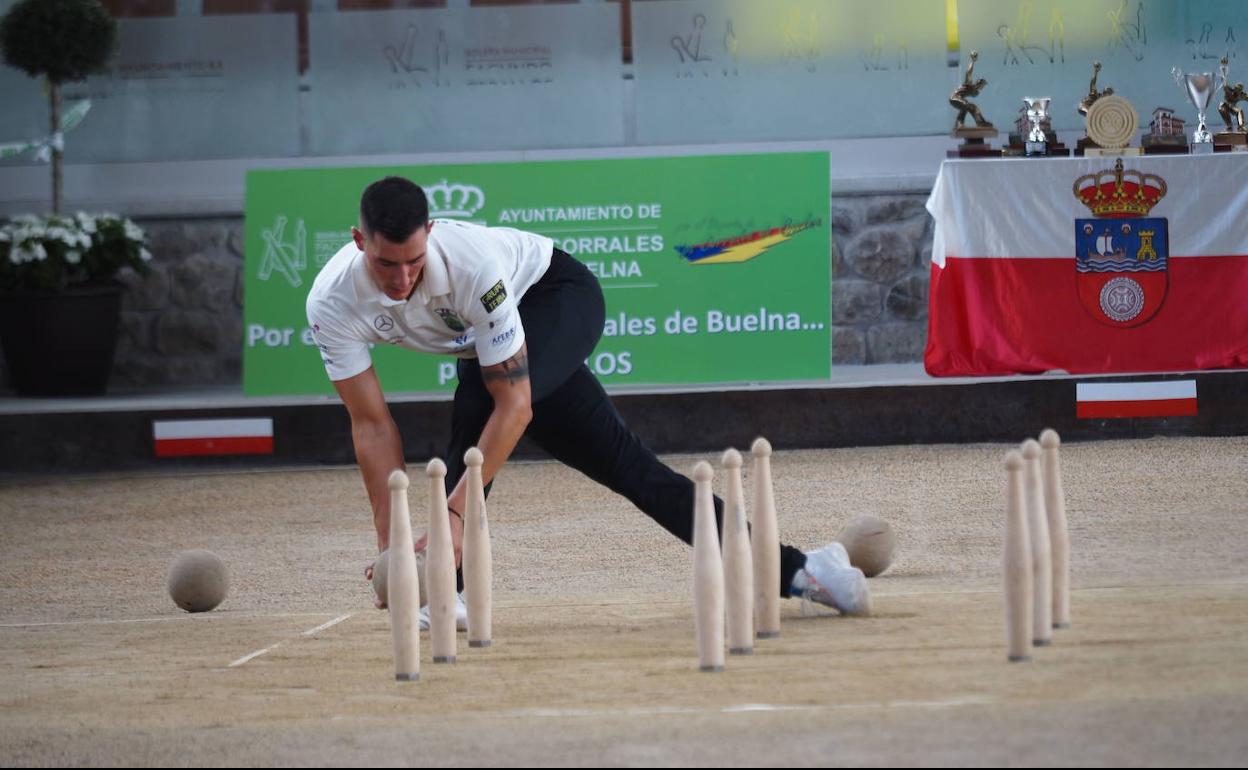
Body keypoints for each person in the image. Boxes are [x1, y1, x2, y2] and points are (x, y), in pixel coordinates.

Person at [306, 176, 870, 626]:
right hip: (490, 350)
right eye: (387, 264)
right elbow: (372, 427)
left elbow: (515, 405)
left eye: (415, 261)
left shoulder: (475, 266)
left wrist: (453, 513)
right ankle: (803, 571)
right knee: (631, 468)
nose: (403, 278)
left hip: (556, 297)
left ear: (430, 233)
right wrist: (390, 548)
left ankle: (440, 591)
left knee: (479, 398)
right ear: (360, 242)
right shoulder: (332, 303)